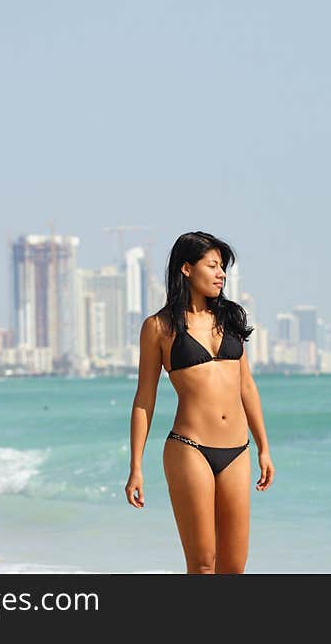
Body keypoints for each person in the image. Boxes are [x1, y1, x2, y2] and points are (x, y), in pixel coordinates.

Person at [125, 231, 275, 574]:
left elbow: (247, 387)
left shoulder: (231, 319)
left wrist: (264, 447)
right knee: (203, 563)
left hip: (238, 450)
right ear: (187, 269)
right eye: (213, 265)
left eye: (223, 267)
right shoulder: (159, 327)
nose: (221, 273)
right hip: (189, 448)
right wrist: (136, 466)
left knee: (234, 567)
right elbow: (144, 399)